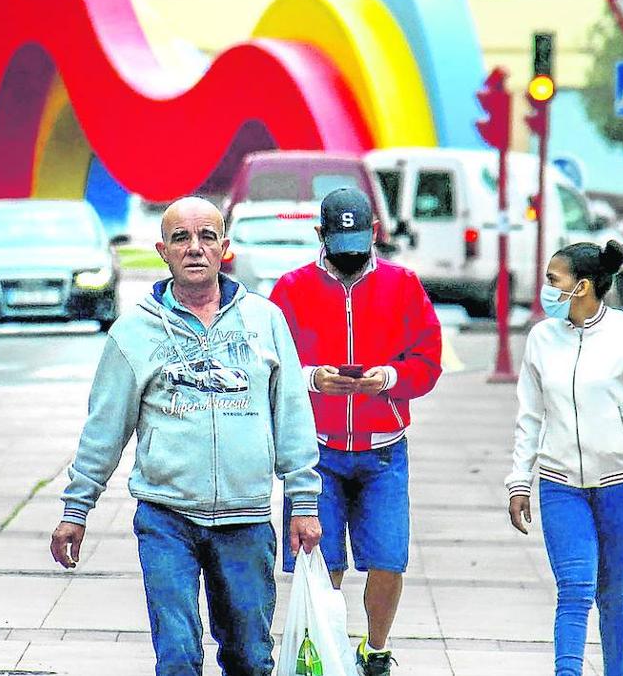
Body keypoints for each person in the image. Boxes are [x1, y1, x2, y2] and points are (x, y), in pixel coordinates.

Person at [50, 196, 322, 676]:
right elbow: (104, 428)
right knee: (177, 655)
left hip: (246, 518)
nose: (195, 248)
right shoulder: (134, 331)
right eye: (181, 238)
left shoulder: (264, 321)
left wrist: (303, 502)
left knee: (250, 658)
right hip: (166, 518)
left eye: (207, 237)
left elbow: (293, 417)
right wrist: (77, 508)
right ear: (163, 251)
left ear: (224, 247)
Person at [269, 187, 442, 676]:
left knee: (388, 557)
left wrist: (388, 377)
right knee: (322, 559)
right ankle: (331, 649)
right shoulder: (292, 289)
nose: (351, 255)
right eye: (340, 244)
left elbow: (428, 360)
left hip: (384, 449)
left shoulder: (403, 285)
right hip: (316, 451)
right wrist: (312, 379)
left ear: (375, 234)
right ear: (320, 235)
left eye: (359, 244)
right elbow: (272, 364)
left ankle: (376, 649)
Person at [506, 240, 623, 676]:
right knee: (574, 589)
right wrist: (519, 481)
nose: (547, 289)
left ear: (582, 286)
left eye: (554, 280)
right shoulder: (541, 339)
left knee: (612, 593)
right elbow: (529, 416)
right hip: (560, 487)